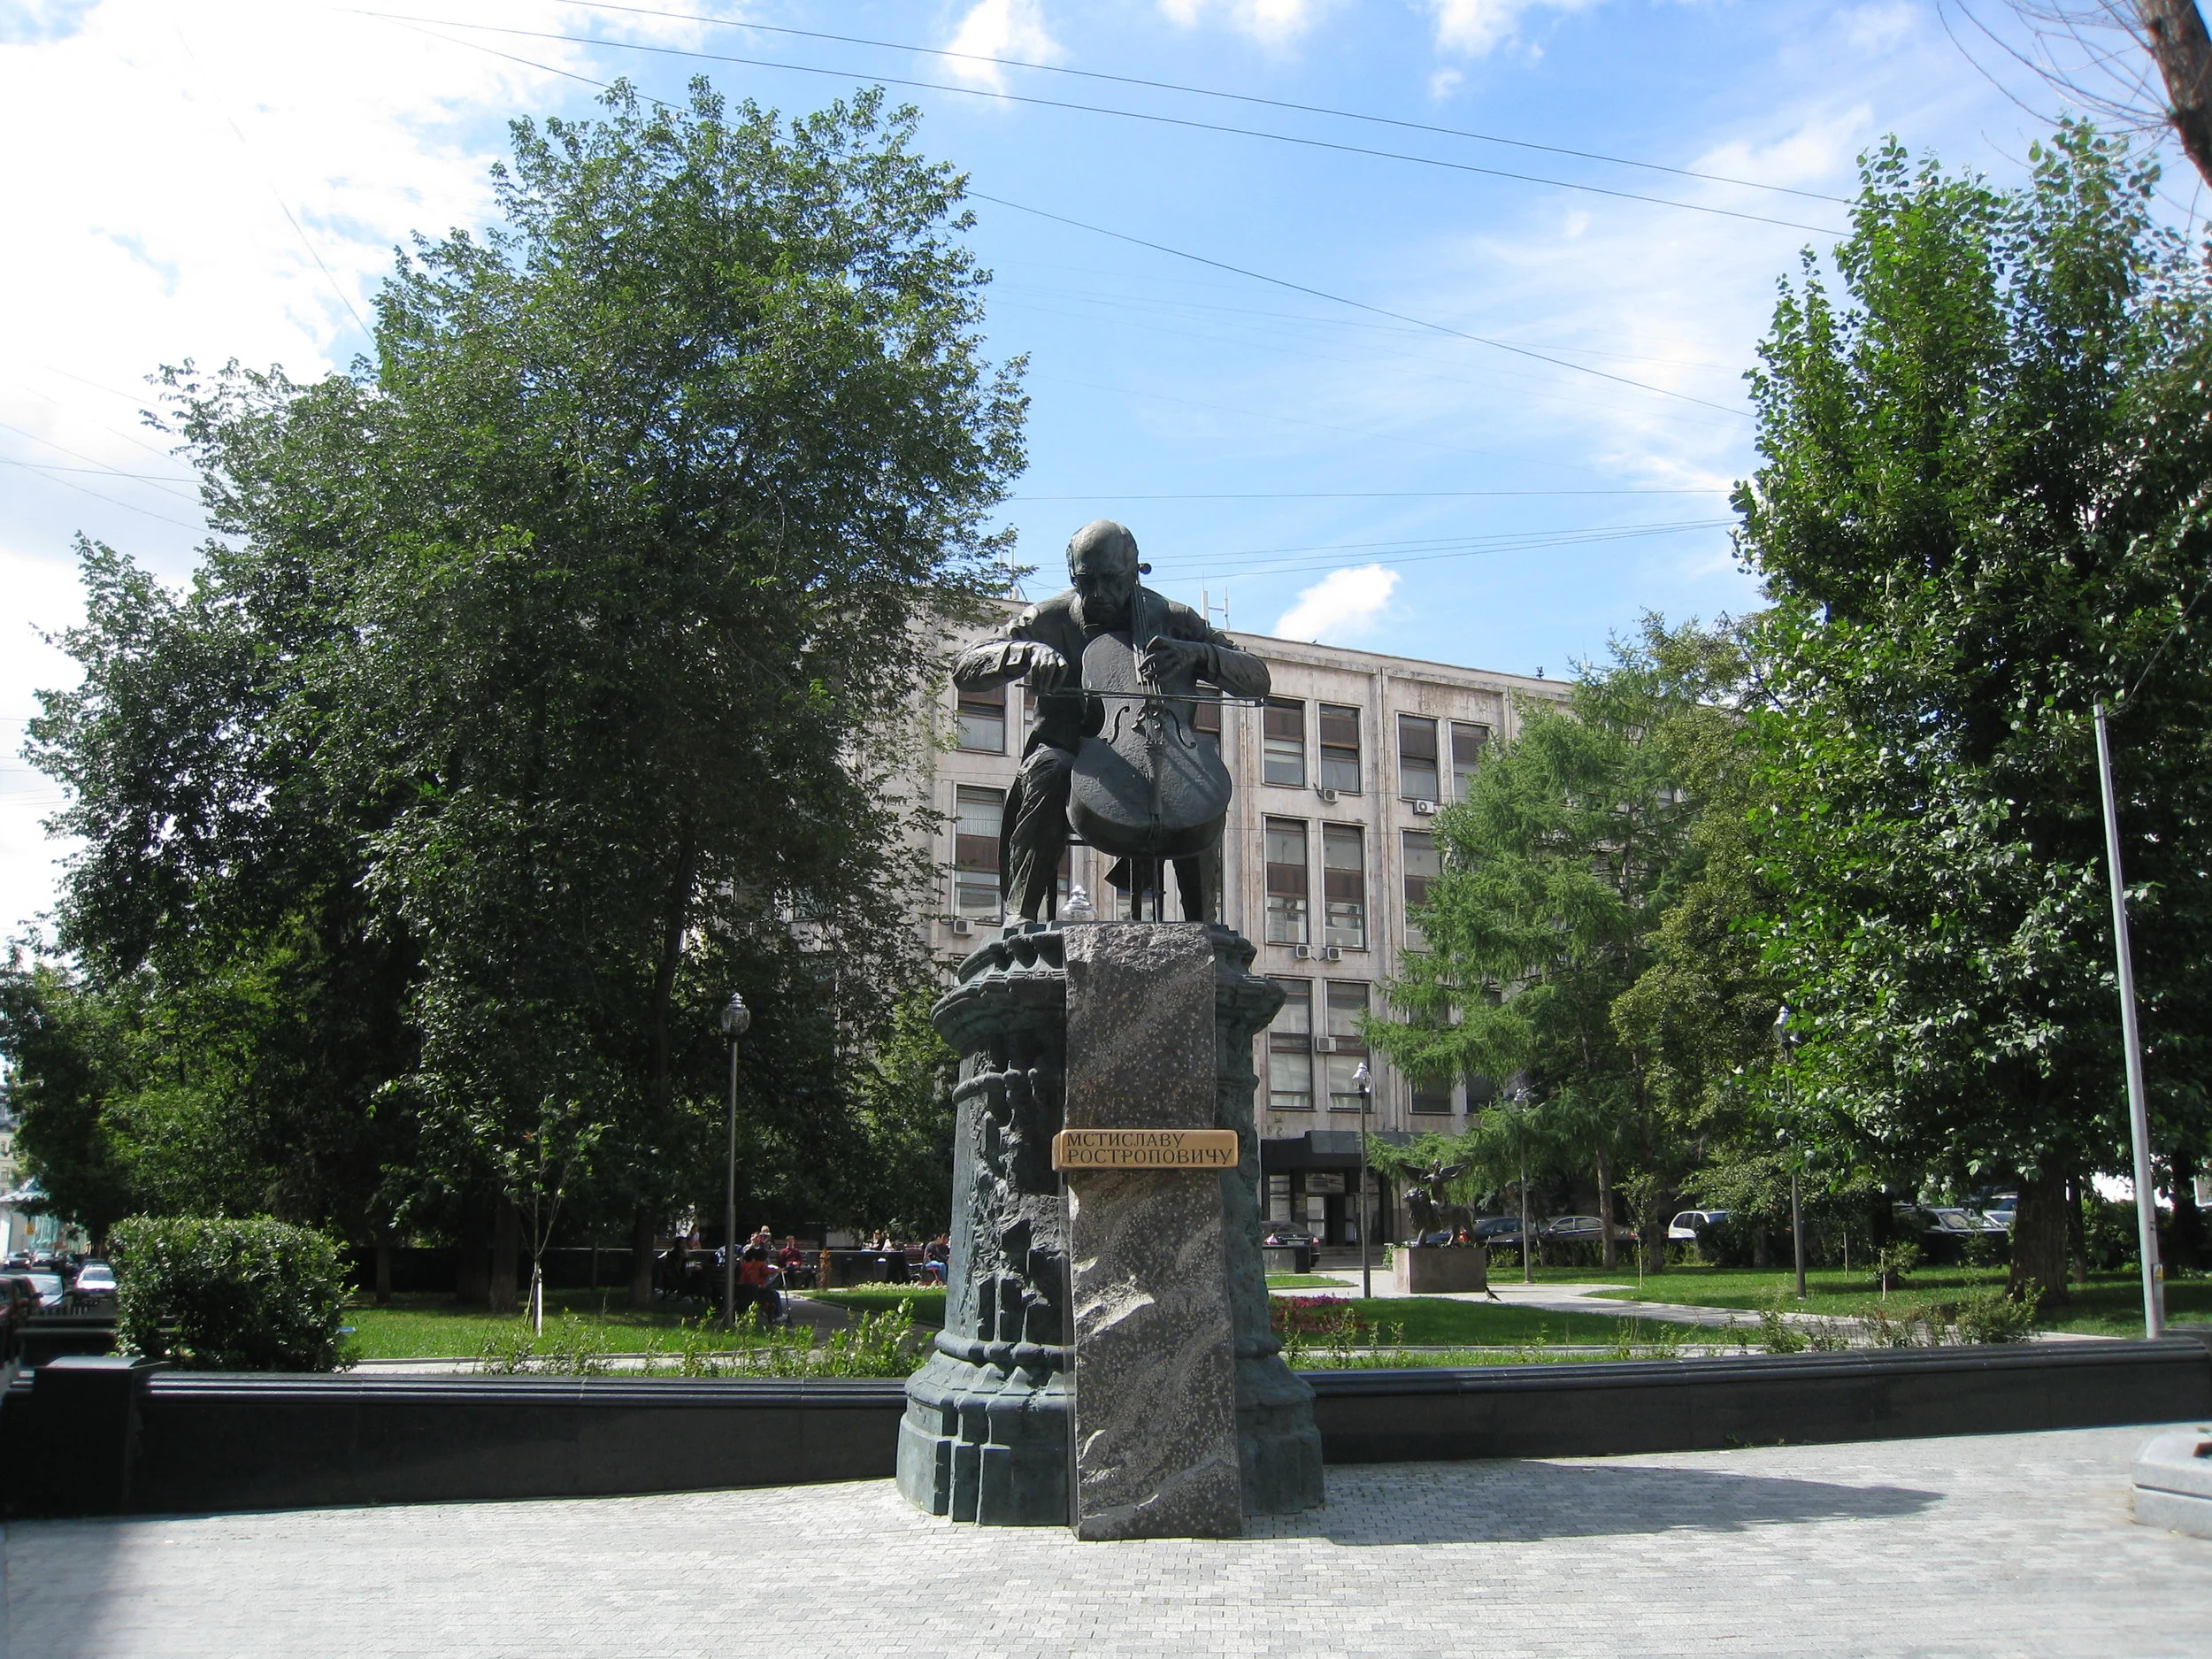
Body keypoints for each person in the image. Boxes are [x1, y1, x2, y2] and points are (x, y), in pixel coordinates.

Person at [950, 519, 1271, 921]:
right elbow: (965, 666)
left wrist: (1198, 654)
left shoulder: (1173, 617)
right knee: (1049, 771)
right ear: (1072, 574)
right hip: (1066, 750)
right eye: (1087, 581)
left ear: (1135, 570)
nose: (1099, 593)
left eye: (1113, 579)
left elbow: (1257, 679)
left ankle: (1203, 926)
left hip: (1157, 750)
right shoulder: (1049, 618)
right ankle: (1021, 917)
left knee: (1201, 791)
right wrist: (1026, 652)